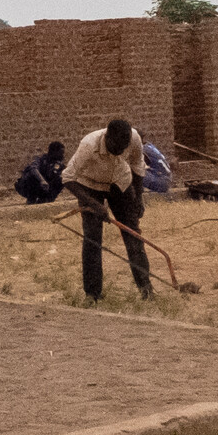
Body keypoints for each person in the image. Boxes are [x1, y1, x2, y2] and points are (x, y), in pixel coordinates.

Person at [61, 118, 153, 301]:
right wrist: (95, 205)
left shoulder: (134, 138)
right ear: (107, 137)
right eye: (116, 147)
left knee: (133, 234)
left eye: (123, 148)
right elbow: (67, 178)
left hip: (120, 183)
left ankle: (146, 288)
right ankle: (92, 294)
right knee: (93, 239)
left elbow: (137, 167)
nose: (120, 151)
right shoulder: (89, 145)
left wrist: (138, 198)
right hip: (89, 186)